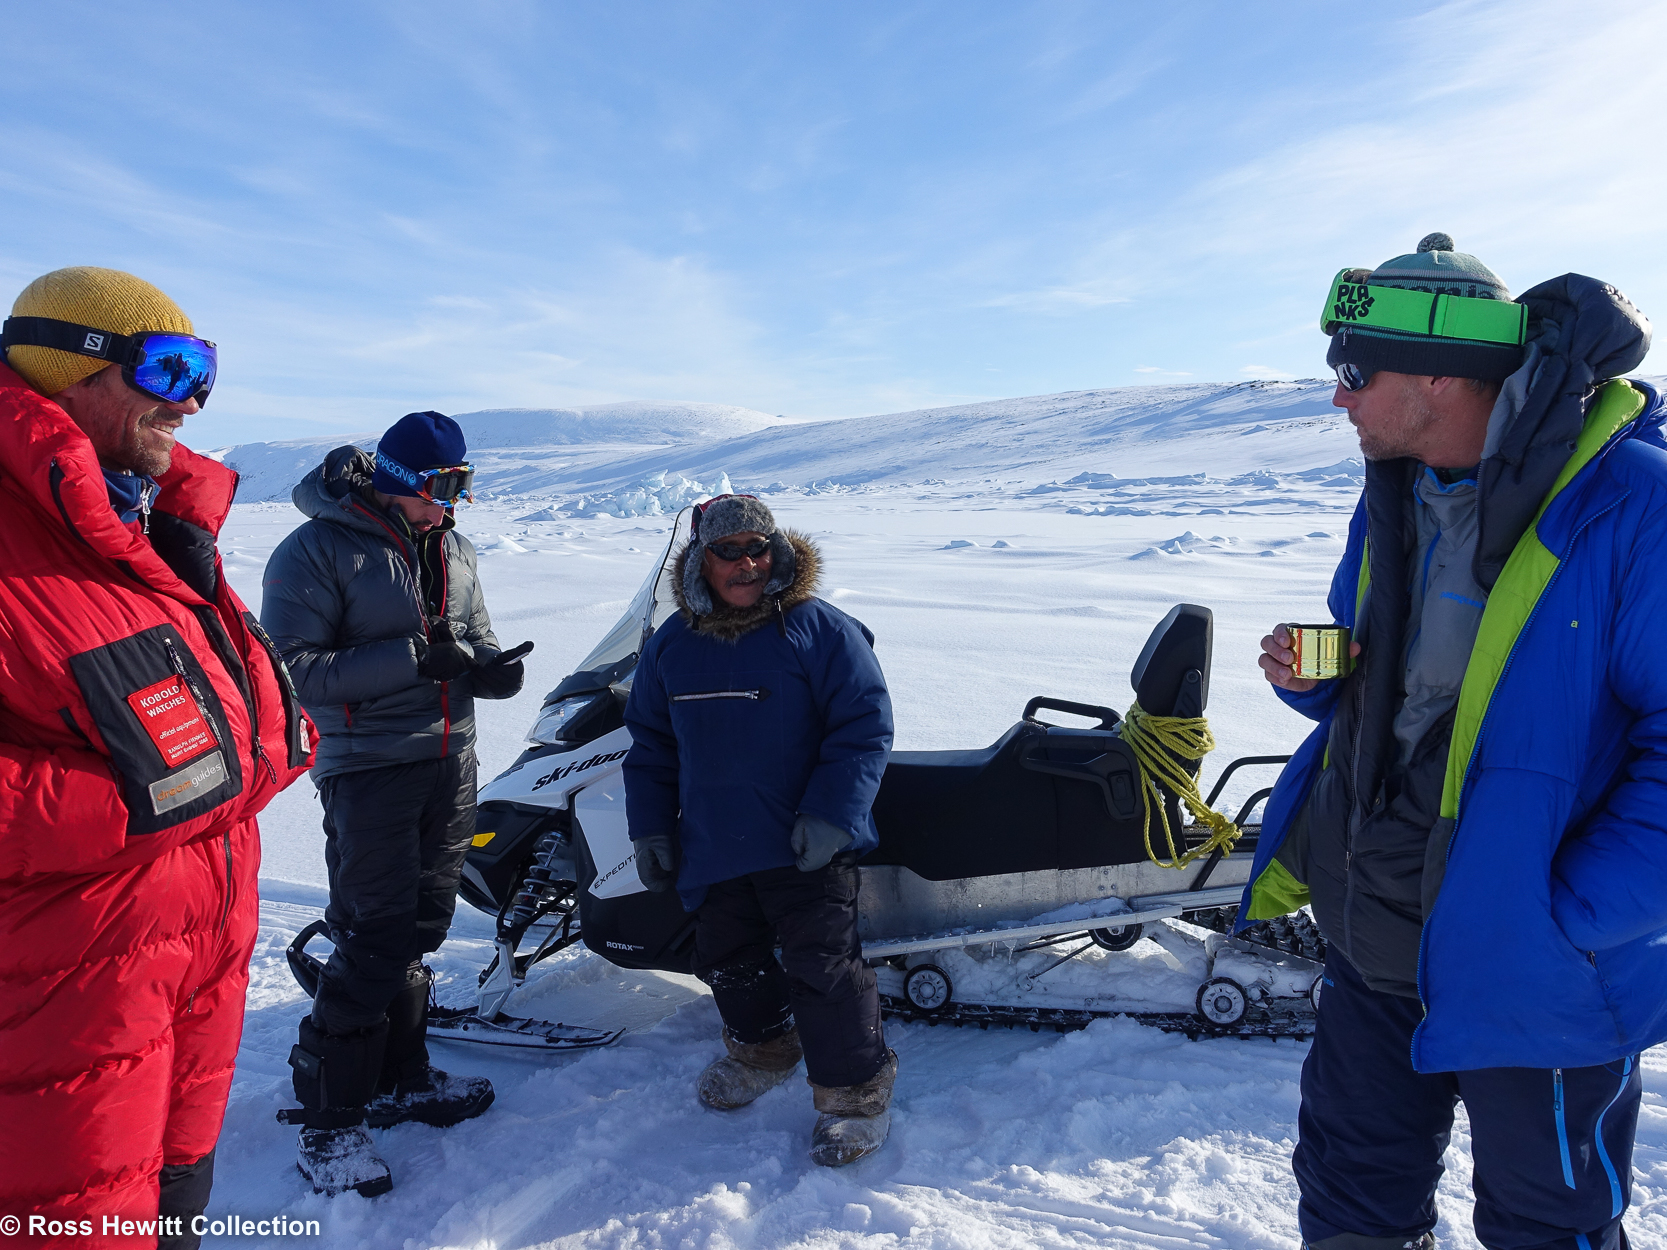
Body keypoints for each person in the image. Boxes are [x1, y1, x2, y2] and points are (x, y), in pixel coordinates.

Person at [1241, 235, 1660, 1249]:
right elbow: (1411, 682)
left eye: (1353, 369)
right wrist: (1322, 678)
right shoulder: (1397, 486)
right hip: (1371, 926)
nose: (1337, 397)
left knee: (1544, 1225)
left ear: (1439, 373)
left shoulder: (1632, 504)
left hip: (1533, 958)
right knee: (1348, 1203)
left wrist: (1560, 915)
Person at [0, 267, 315, 1248]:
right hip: (54, 1039)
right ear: (69, 365)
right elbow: (173, 777)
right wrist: (138, 802)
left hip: (182, 1006)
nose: (191, 400)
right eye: (170, 366)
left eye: (204, 373)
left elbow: (226, 738)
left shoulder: (152, 530)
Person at [261, 412, 532, 1196]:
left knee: (421, 925)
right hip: (368, 765)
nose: (455, 505)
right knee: (372, 934)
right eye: (445, 489)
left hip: (450, 759)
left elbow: (474, 633)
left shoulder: (452, 546)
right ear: (403, 480)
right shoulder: (317, 549)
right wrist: (415, 659)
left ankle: (403, 1077)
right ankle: (332, 1122)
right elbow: (293, 671)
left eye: (464, 487)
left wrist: (487, 667)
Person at [623, 495, 897, 1166]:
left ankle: (853, 1098)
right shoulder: (671, 647)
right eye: (730, 551)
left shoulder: (818, 629)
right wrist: (651, 830)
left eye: (758, 548)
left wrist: (833, 816)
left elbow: (863, 727)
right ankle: (764, 1052)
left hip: (806, 845)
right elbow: (651, 747)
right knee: (728, 960)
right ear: (700, 562)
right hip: (714, 843)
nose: (747, 563)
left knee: (823, 970)